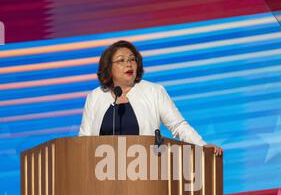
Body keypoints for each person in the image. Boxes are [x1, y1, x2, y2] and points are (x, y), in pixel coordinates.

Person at [78, 40, 222, 155]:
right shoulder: (95, 97)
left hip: (144, 171)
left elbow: (178, 126)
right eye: (121, 60)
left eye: (132, 59)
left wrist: (202, 146)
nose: (128, 64)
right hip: (101, 175)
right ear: (108, 68)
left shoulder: (153, 91)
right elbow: (83, 140)